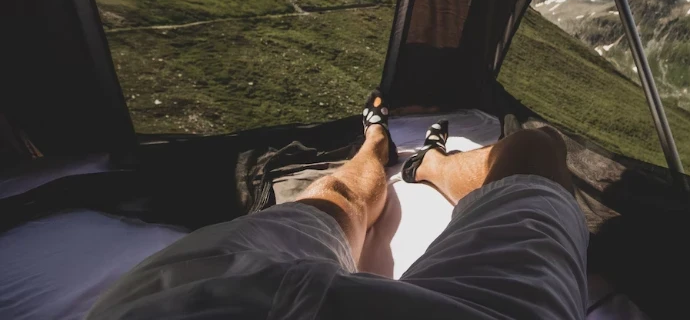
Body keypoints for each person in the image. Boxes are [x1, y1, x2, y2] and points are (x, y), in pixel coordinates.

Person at [87, 92, 589, 319]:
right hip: (218, 296)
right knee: (538, 147)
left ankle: (375, 143)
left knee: (338, 201)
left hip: (206, 298)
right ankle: (426, 161)